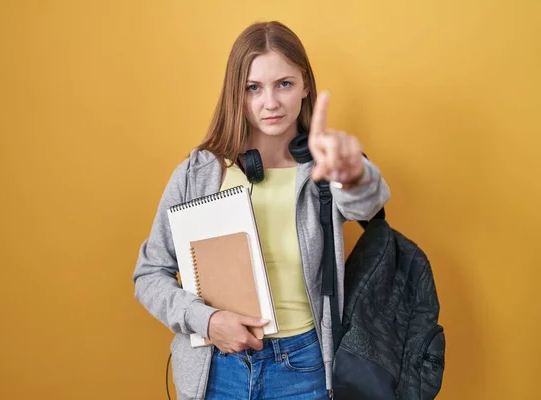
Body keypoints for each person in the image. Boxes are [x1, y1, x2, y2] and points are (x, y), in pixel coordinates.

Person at [133, 20, 390, 400]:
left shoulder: (323, 167)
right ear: (236, 94)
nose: (270, 102)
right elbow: (149, 274)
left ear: (304, 84)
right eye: (253, 88)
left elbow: (367, 201)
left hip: (304, 367)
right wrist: (206, 320)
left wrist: (354, 175)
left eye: (284, 84)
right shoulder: (199, 173)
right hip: (217, 369)